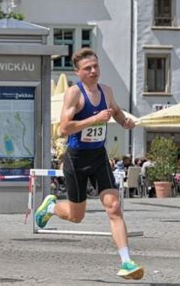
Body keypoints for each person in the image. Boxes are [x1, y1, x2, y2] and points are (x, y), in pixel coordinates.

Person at [34, 48, 143, 280]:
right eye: (88, 68)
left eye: (96, 66)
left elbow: (115, 111)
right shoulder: (74, 94)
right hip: (76, 159)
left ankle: (126, 262)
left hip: (98, 156)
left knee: (113, 207)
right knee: (76, 216)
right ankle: (50, 208)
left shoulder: (107, 91)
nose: (94, 71)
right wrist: (94, 119)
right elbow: (64, 128)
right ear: (78, 72)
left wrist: (124, 121)